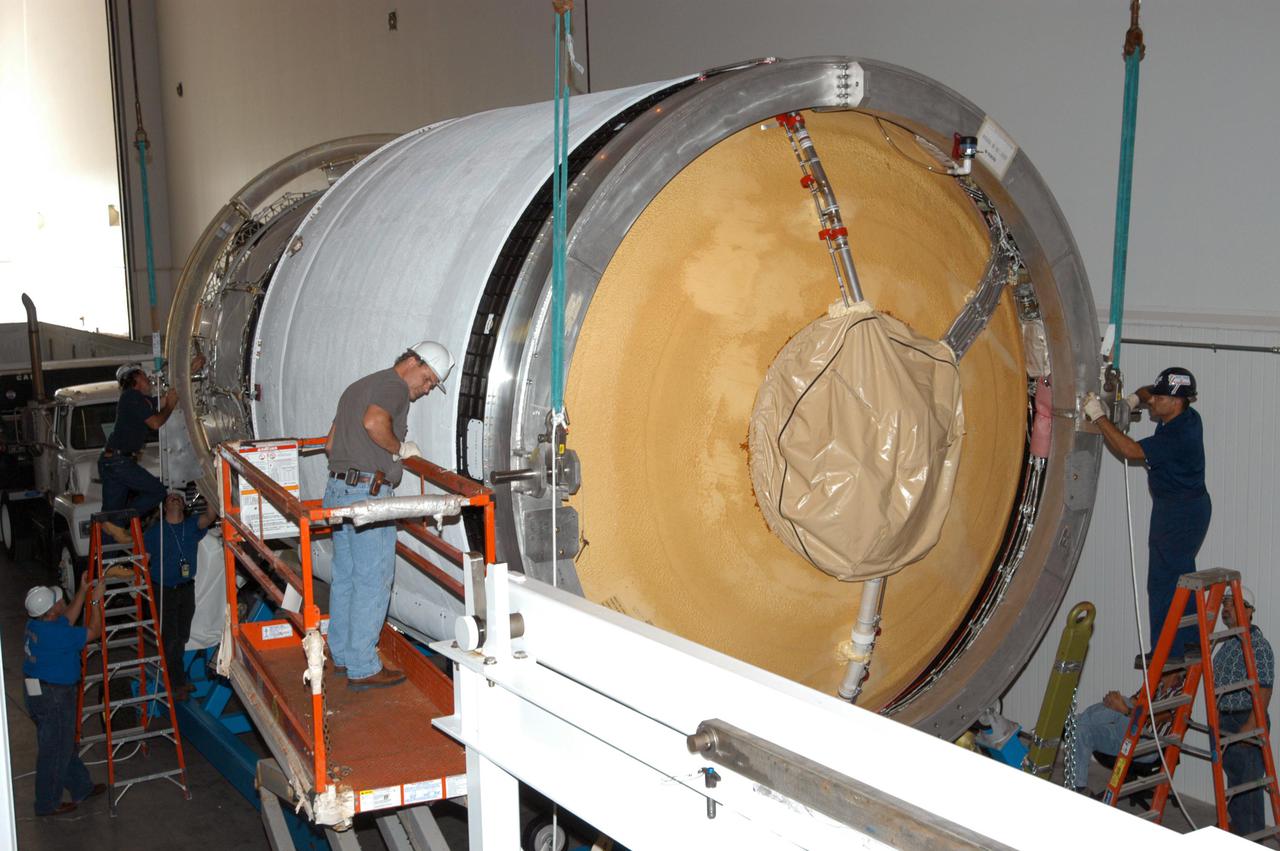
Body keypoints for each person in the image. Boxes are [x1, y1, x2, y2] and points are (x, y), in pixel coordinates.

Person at [323, 341, 453, 691]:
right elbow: (374, 422)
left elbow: (330, 445)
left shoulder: (358, 386)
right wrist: (400, 449)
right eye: (427, 379)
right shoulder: (393, 387)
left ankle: (343, 653)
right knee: (373, 578)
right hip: (368, 494)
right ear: (412, 361)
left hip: (337, 490)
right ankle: (363, 667)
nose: (426, 390)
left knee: (347, 575)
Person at [1084, 367, 1210, 660]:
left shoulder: (1179, 435)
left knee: (1162, 581)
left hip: (1179, 512)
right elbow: (1146, 392)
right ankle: (1188, 641)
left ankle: (1169, 651)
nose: (1152, 402)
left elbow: (1129, 451)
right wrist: (1130, 401)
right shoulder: (1185, 414)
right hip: (1185, 507)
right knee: (1181, 573)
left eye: (1159, 398)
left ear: (1176, 402)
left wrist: (1099, 417)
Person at [22, 579, 106, 815]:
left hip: (36, 689)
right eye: (58, 601)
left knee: (61, 744)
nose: (61, 601)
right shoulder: (56, 635)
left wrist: (82, 589)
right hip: (54, 697)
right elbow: (95, 631)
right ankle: (47, 804)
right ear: (50, 612)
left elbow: (68, 618)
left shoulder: (37, 624)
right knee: (55, 750)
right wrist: (96, 600)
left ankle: (81, 786)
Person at [143, 491, 218, 701]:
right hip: (163, 589)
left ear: (184, 505)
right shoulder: (155, 532)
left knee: (182, 635)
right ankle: (176, 683)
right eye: (169, 498)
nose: (174, 498)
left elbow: (211, 516)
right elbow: (144, 560)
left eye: (178, 497)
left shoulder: (192, 526)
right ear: (164, 507)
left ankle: (177, 677)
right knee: (171, 639)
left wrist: (209, 486)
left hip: (186, 588)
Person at [1066, 670, 1184, 796]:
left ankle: (1075, 721)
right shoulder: (1154, 685)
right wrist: (1113, 702)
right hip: (1124, 736)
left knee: (1124, 702)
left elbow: (1152, 718)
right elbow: (1133, 701)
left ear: (1175, 672)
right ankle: (1079, 787)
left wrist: (1124, 709)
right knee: (1083, 731)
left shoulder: (1181, 693)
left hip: (1148, 746)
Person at [1214, 588, 1273, 838]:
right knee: (1236, 783)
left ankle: (1253, 838)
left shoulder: (1257, 645)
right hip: (1225, 719)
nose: (1225, 608)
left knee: (1248, 789)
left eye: (1232, 603)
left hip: (1246, 718)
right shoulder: (1229, 643)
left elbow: (1264, 689)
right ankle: (1236, 832)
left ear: (1248, 611)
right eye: (1223, 603)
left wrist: (1251, 726)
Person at [99, 362, 178, 519]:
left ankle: (114, 528)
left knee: (110, 518)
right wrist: (170, 407)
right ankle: (121, 521)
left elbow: (168, 397)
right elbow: (155, 423)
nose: (148, 378)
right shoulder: (132, 397)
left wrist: (190, 370)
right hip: (119, 462)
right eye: (144, 375)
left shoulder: (139, 401)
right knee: (157, 491)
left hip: (112, 461)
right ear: (135, 378)